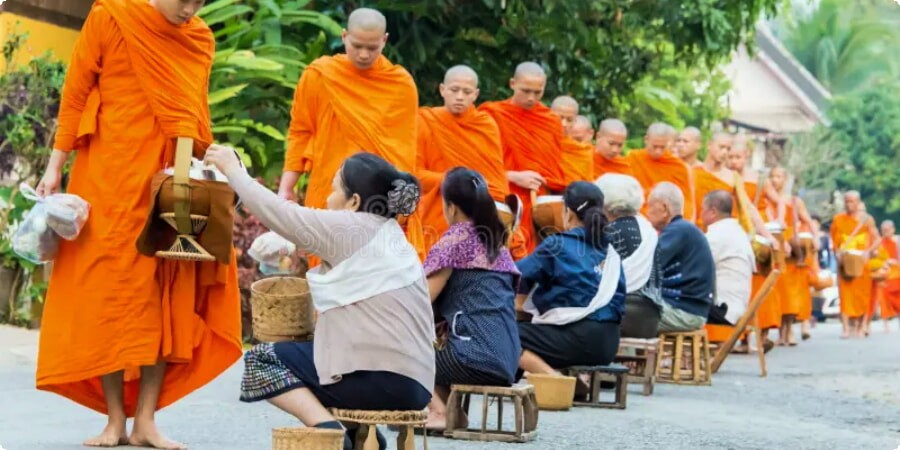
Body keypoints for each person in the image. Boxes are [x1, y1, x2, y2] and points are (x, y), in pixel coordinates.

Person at [34, 1, 242, 448]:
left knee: (163, 294)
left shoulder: (198, 37)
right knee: (111, 294)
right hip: (106, 177)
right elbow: (75, 92)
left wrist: (211, 172)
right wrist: (55, 167)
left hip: (168, 178)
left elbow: (195, 112)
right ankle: (114, 421)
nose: (190, 9)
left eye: (200, 1)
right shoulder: (112, 15)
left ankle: (145, 419)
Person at [215, 151, 435, 450]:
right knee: (322, 356)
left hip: (381, 378)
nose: (329, 198)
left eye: (334, 190)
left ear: (354, 202)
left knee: (261, 359)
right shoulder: (390, 235)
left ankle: (333, 434)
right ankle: (362, 437)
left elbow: (281, 213)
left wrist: (233, 171)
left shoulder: (350, 226)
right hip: (418, 386)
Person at [277, 8, 424, 259]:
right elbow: (300, 132)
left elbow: (403, 152)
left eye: (373, 47)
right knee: (326, 272)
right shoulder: (320, 76)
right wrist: (286, 188)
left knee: (376, 274)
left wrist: (401, 206)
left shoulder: (400, 85)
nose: (364, 54)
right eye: (356, 45)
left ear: (385, 40)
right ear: (344, 36)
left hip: (378, 201)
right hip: (330, 192)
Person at [423, 168, 521, 431]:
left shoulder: (454, 241)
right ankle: (452, 413)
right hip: (508, 359)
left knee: (396, 351)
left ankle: (439, 411)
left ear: (451, 207)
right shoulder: (496, 244)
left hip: (471, 357)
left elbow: (420, 301)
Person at [516, 182, 626, 374]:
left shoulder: (557, 245)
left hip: (577, 340)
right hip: (609, 344)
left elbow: (514, 275)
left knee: (502, 333)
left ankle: (555, 379)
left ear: (568, 213)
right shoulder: (612, 250)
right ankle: (575, 382)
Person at [416, 65, 509, 251]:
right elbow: (414, 173)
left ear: (475, 94)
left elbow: (496, 180)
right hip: (438, 212)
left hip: (478, 216)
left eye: (466, 92)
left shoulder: (485, 125)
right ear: (442, 90)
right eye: (454, 90)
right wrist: (454, 183)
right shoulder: (424, 120)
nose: (460, 97)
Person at [480, 62, 566, 254]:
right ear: (512, 83)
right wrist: (512, 176)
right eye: (525, 91)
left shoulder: (550, 121)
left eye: (538, 92)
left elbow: (555, 171)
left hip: (538, 205)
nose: (531, 98)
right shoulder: (491, 116)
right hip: (502, 199)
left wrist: (545, 180)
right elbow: (476, 163)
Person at [595, 174, 661, 338]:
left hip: (619, 316)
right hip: (651, 318)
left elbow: (593, 274)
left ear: (605, 203)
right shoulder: (648, 228)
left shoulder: (611, 231)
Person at [645, 182, 715, 332]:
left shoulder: (677, 230)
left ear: (664, 208)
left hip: (684, 312)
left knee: (621, 314)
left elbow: (646, 266)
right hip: (687, 308)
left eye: (650, 207)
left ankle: (623, 356)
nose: (647, 212)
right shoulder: (682, 229)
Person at [768, 166, 815, 346]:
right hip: (774, 248)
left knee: (790, 295)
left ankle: (789, 330)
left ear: (785, 179)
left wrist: (815, 238)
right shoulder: (767, 199)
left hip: (792, 252)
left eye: (779, 176)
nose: (775, 180)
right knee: (778, 293)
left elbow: (807, 220)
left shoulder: (794, 201)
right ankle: (781, 332)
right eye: (772, 176)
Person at [702, 191, 755, 330]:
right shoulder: (737, 231)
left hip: (723, 309)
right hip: (737, 307)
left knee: (667, 306)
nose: (700, 214)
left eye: (703, 209)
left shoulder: (718, 235)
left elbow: (694, 266)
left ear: (713, 212)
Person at [831, 191, 881, 338]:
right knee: (845, 296)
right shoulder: (838, 219)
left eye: (852, 201)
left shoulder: (867, 219)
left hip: (861, 262)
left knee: (862, 295)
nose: (849, 204)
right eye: (846, 201)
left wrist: (868, 252)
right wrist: (837, 253)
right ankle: (845, 328)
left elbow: (877, 239)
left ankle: (861, 325)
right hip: (845, 262)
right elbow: (834, 240)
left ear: (858, 203)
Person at [626, 123, 696, 221]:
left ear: (668, 143)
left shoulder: (678, 167)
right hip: (635, 217)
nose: (658, 151)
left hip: (664, 222)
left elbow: (686, 202)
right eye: (655, 146)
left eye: (662, 147)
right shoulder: (633, 158)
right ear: (646, 140)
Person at [550, 95, 594, 184]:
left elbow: (587, 183)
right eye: (560, 118)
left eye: (569, 120)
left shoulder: (581, 151)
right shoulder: (540, 139)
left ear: (574, 121)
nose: (564, 124)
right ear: (550, 115)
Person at [866, 220, 900, 333]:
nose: (886, 232)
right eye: (884, 230)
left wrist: (893, 262)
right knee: (883, 298)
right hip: (883, 273)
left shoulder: (897, 242)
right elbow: (874, 258)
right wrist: (883, 262)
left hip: (896, 273)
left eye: (888, 230)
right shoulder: (878, 242)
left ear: (893, 230)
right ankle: (885, 324)